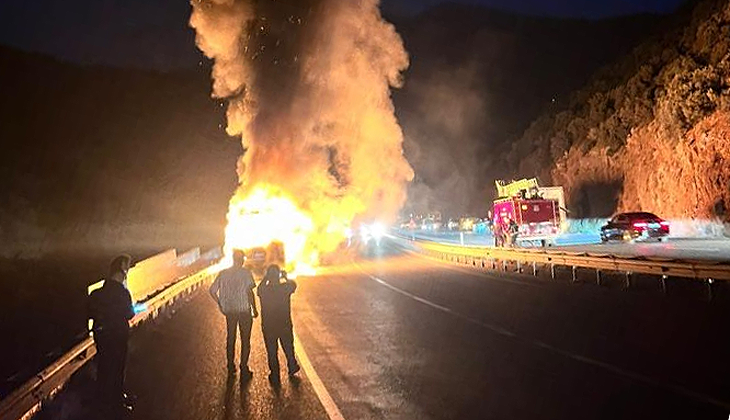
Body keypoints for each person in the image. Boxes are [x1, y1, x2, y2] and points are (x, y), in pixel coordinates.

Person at [88, 254, 135, 415]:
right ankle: (116, 404)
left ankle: (101, 402)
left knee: (104, 368)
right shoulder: (123, 294)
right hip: (118, 337)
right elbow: (130, 314)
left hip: (102, 337)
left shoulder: (96, 294)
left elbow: (90, 313)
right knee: (117, 369)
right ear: (121, 273)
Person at [209, 250, 258, 378]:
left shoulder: (223, 273)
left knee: (231, 339)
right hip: (244, 312)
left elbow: (212, 291)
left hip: (230, 312)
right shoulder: (246, 273)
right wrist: (255, 308)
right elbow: (249, 292)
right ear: (241, 259)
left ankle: (231, 366)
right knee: (245, 340)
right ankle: (244, 367)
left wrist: (220, 304)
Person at [257, 265, 300, 384]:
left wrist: (266, 277)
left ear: (269, 276)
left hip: (269, 325)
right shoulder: (285, 288)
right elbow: (294, 285)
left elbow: (259, 289)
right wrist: (285, 277)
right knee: (288, 347)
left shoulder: (264, 290)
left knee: (271, 350)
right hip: (284, 323)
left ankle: (275, 373)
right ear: (278, 276)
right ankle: (292, 365)